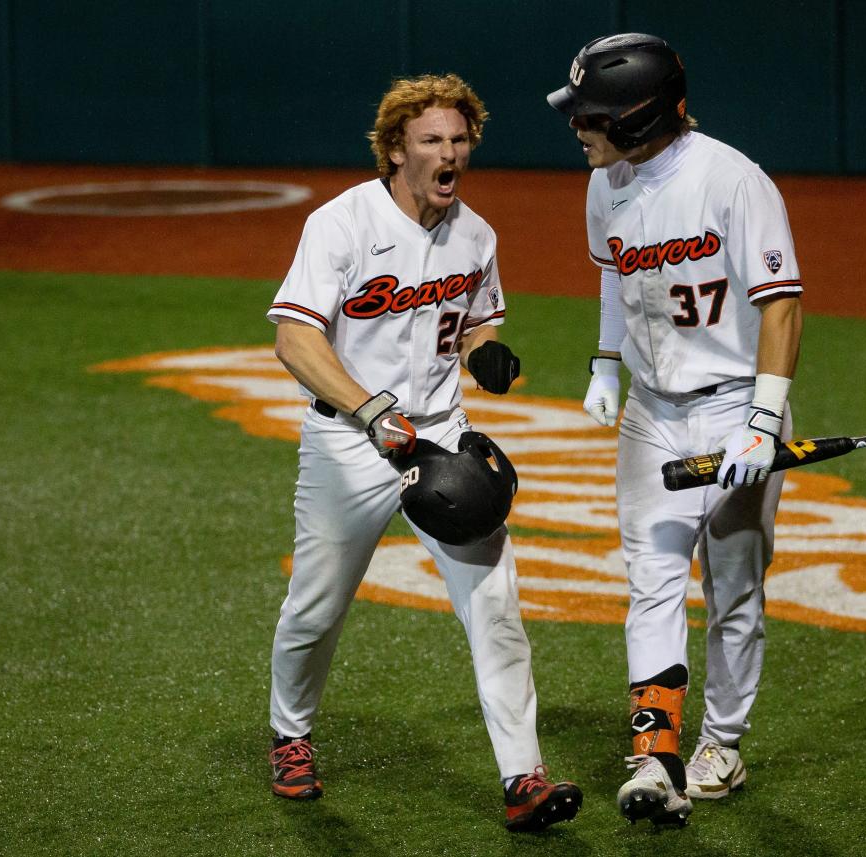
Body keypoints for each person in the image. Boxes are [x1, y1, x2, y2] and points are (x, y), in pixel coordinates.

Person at [265, 73, 581, 832]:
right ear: (397, 148)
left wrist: (489, 354)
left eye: (460, 139)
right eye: (433, 140)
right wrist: (370, 408)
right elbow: (294, 337)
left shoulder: (476, 235)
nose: (450, 154)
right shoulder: (340, 225)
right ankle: (290, 733)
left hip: (441, 440)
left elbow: (476, 326)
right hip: (350, 441)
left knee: (496, 607)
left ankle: (523, 778)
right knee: (317, 604)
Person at [547, 34, 804, 826]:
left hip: (737, 408)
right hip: (653, 413)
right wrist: (604, 364)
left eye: (590, 115)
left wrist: (762, 422)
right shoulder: (606, 183)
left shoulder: (733, 180)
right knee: (652, 579)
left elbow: (783, 304)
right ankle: (656, 755)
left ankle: (721, 741)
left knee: (733, 590)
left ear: (639, 114)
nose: (577, 128)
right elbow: (614, 278)